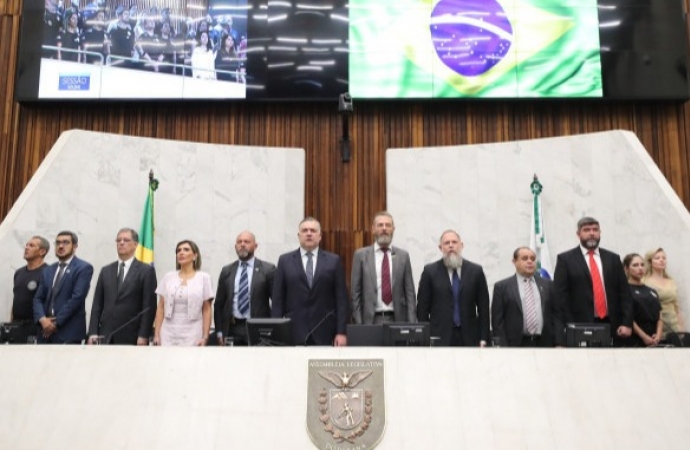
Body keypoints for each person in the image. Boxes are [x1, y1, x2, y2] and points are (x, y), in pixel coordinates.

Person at [553, 217, 633, 346]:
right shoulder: (565, 260)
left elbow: (624, 293)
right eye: (587, 230)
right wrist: (567, 327)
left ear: (600, 233)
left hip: (613, 325)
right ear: (578, 234)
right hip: (580, 325)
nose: (592, 233)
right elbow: (560, 298)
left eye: (595, 230)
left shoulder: (613, 258)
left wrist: (627, 323)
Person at [272, 217, 349, 346]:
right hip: (293, 332)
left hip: (325, 333)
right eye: (305, 230)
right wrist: (276, 331)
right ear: (298, 235)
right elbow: (278, 300)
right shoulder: (285, 261)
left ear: (320, 236)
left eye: (313, 231)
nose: (308, 233)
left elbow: (341, 300)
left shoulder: (333, 261)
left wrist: (341, 332)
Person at [417, 230, 490, 346]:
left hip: (470, 337)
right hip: (439, 337)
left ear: (461, 246)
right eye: (446, 243)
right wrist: (425, 337)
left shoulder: (476, 271)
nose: (451, 245)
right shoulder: (430, 272)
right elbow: (422, 309)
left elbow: (483, 308)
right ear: (440, 248)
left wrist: (484, 338)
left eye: (454, 242)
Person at [88, 228, 157, 345]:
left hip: (132, 335)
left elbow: (149, 306)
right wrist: (93, 332)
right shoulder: (106, 270)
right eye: (118, 240)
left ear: (135, 245)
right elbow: (97, 305)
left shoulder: (146, 271)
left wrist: (144, 334)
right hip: (105, 334)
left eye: (126, 240)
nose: (121, 243)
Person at [351, 211, 416, 325]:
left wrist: (412, 324)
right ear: (373, 229)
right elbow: (355, 294)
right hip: (370, 321)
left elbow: (410, 293)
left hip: (397, 320)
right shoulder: (361, 255)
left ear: (393, 229)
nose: (384, 228)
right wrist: (359, 324)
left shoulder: (403, 256)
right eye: (380, 225)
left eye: (388, 225)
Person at [214, 231, 275, 346]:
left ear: (255, 246)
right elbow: (219, 304)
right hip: (232, 329)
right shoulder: (227, 270)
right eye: (239, 242)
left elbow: (276, 301)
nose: (242, 244)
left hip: (258, 328)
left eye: (247, 241)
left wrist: (273, 329)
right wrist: (219, 332)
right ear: (235, 246)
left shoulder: (268, 270)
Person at [32, 231, 94, 344]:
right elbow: (38, 299)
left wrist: (56, 323)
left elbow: (77, 298)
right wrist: (43, 320)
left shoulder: (83, 268)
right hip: (44, 332)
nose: (61, 246)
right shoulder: (48, 270)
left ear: (74, 246)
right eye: (58, 243)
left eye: (66, 242)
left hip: (68, 332)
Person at [491, 247, 559, 347]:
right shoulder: (502, 287)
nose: (529, 261)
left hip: (545, 343)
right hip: (515, 344)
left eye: (532, 258)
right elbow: (497, 321)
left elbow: (557, 315)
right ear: (514, 262)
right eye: (524, 258)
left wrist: (559, 342)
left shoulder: (548, 285)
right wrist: (503, 346)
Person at [154, 240, 213, 346]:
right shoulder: (168, 277)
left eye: (186, 250)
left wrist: (205, 336)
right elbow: (161, 308)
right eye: (178, 251)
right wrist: (156, 335)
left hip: (193, 331)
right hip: (168, 331)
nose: (181, 253)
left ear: (195, 256)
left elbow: (207, 309)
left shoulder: (204, 278)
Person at [643, 248, 684, 339]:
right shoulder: (644, 281)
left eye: (664, 258)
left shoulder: (671, 281)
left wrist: (681, 328)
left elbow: (676, 307)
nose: (661, 260)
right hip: (655, 326)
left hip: (673, 325)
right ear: (650, 262)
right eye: (657, 258)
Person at [623, 253, 662, 347]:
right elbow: (628, 318)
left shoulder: (652, 291)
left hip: (653, 339)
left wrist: (658, 335)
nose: (640, 268)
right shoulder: (624, 290)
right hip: (634, 340)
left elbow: (660, 317)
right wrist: (644, 337)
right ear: (626, 269)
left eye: (642, 264)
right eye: (635, 265)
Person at [12, 236, 49, 323]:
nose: (26, 248)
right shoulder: (18, 272)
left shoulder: (48, 272)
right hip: (17, 325)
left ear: (42, 251)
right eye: (26, 245)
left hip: (37, 326)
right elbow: (16, 300)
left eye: (31, 246)